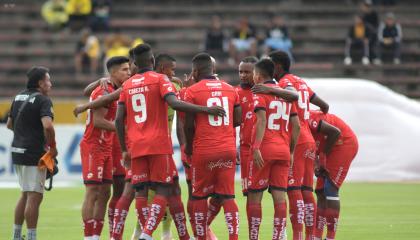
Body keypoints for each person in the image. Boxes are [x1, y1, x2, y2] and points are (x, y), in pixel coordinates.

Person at [115, 44, 225, 240]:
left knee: (147, 190)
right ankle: (147, 234)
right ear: (152, 62)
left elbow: (117, 119)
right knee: (164, 188)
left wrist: (124, 150)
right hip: (158, 144)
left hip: (136, 146)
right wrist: (206, 110)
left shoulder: (128, 84)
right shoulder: (160, 80)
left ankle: (180, 236)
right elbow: (174, 103)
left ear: (135, 63)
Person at [253, 50, 329, 240]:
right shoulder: (301, 81)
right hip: (308, 139)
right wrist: (312, 120)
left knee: (294, 191)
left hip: (293, 140)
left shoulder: (284, 83)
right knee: (306, 190)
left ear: (277, 66)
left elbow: (290, 98)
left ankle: (296, 235)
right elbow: (324, 106)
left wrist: (269, 89)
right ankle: (311, 236)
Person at [183, 52, 241, 240]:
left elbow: (188, 126)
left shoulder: (192, 91)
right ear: (213, 68)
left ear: (196, 70)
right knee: (228, 196)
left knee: (199, 196)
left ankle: (200, 237)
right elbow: (237, 119)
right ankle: (234, 237)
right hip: (227, 149)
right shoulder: (231, 89)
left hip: (204, 150)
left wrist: (190, 148)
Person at [247, 58, 300, 240]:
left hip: (265, 149)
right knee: (280, 197)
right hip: (283, 150)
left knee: (255, 196)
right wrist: (291, 151)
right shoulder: (285, 94)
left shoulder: (259, 92)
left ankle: (254, 237)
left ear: (259, 76)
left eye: (253, 74)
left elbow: (261, 120)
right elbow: (297, 126)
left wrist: (255, 147)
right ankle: (278, 237)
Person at [80, 56, 131, 240]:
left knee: (104, 193)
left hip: (107, 146)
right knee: (93, 191)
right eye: (125, 70)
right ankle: (88, 237)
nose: (129, 72)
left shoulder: (117, 89)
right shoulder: (103, 90)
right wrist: (126, 128)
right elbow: (98, 121)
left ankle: (96, 236)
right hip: (94, 146)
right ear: (113, 72)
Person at [7, 66, 57, 240]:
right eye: (48, 80)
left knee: (25, 193)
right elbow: (48, 126)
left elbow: (9, 124)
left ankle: (15, 235)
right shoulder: (43, 100)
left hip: (17, 151)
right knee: (35, 196)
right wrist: (52, 147)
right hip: (34, 154)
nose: (50, 84)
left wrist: (23, 136)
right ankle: (31, 237)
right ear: (40, 82)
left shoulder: (18, 96)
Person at [308, 111, 359, 240]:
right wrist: (316, 163)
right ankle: (317, 236)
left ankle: (330, 237)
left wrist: (323, 157)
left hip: (343, 143)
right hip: (329, 147)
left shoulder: (307, 118)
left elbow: (335, 132)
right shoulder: (291, 122)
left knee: (330, 189)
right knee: (319, 191)